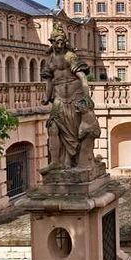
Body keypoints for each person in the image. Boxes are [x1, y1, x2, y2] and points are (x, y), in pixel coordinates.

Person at [40, 26, 101, 171]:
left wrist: (86, 96)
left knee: (75, 134)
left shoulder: (70, 56)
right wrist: (46, 97)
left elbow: (82, 77)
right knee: (53, 128)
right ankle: (55, 162)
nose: (59, 45)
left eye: (62, 42)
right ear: (52, 43)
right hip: (59, 100)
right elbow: (49, 81)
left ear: (65, 42)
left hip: (74, 99)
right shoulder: (49, 60)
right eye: (57, 42)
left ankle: (71, 161)